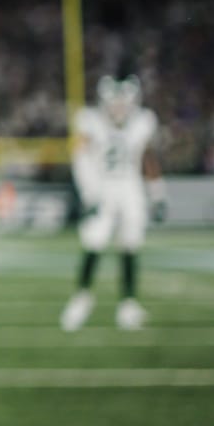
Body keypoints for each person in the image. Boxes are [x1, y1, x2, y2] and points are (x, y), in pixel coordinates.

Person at [61, 71, 163, 332]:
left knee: (131, 244)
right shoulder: (90, 120)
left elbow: (148, 159)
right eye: (114, 103)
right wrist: (89, 194)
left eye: (123, 103)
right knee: (93, 242)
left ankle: (128, 305)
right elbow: (80, 158)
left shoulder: (143, 121)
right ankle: (82, 298)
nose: (118, 109)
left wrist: (157, 193)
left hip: (130, 188)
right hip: (102, 188)